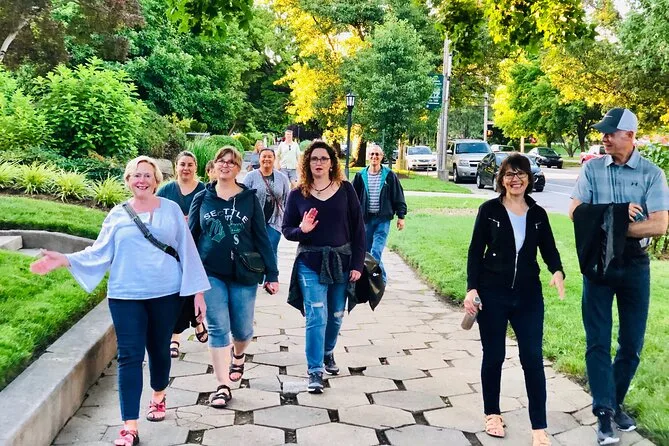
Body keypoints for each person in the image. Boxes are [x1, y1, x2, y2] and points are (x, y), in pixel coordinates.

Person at [30, 156, 210, 446]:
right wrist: (65, 259)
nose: (142, 180)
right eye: (136, 175)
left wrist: (198, 293)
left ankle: (159, 394)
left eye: (147, 175)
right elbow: (99, 252)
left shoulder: (171, 210)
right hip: (125, 295)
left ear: (156, 181)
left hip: (166, 294)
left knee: (159, 350)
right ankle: (130, 426)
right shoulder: (117, 214)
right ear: (128, 180)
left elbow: (187, 251)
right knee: (129, 356)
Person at [568, 108, 669, 445]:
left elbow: (659, 225)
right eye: (603, 132)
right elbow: (575, 212)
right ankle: (604, 413)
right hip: (598, 263)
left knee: (632, 344)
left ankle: (614, 402)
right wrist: (619, 215)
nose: (604, 138)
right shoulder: (592, 169)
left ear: (630, 135)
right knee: (597, 340)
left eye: (611, 133)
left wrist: (610, 225)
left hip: (635, 263)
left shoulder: (652, 174)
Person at [465, 153, 565, 446]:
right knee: (494, 355)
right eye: (509, 174)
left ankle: (539, 427)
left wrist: (557, 270)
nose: (515, 179)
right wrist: (472, 289)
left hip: (528, 296)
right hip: (492, 294)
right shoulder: (489, 210)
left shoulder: (538, 214)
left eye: (521, 173)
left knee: (532, 358)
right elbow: (475, 252)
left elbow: (549, 249)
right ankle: (492, 414)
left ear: (529, 178)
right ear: (501, 179)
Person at [189, 146, 280, 408]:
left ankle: (238, 355)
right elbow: (191, 237)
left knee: (242, 329)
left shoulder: (249, 198)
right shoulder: (202, 198)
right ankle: (222, 386)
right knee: (218, 327)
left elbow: (261, 237)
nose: (226, 165)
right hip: (210, 272)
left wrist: (272, 273)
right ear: (214, 165)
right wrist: (186, 273)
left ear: (239, 168)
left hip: (244, 272)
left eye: (231, 162)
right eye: (221, 161)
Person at [282, 141, 366, 394]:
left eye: (323, 158)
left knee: (336, 314)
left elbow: (359, 229)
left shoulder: (346, 190)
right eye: (314, 159)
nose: (318, 163)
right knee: (316, 314)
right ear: (307, 164)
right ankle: (315, 370)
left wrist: (358, 263)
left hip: (342, 260)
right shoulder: (297, 194)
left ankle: (328, 351)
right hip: (310, 262)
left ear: (332, 163)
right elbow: (287, 230)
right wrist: (302, 230)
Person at [156, 151, 208, 358]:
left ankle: (195, 322)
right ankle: (176, 337)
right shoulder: (167, 190)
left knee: (191, 288)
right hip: (172, 250)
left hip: (197, 247)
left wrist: (193, 220)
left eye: (190, 164)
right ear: (176, 166)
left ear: (196, 167)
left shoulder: (204, 190)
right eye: (182, 164)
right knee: (177, 291)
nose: (186, 168)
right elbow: (155, 213)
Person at [352, 144, 407, 283]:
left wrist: (401, 216)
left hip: (383, 219)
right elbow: (352, 198)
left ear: (382, 157)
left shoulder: (389, 176)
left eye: (377, 154)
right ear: (368, 156)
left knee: (376, 251)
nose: (374, 157)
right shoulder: (360, 176)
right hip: (366, 220)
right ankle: (374, 280)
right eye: (372, 154)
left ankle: (381, 281)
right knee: (367, 252)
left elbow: (398, 196)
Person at [243, 147, 291, 264]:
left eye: (270, 156)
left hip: (274, 221)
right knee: (255, 250)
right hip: (254, 221)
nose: (267, 159)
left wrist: (285, 219)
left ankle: (271, 274)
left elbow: (287, 199)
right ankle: (256, 272)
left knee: (271, 248)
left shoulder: (282, 178)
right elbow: (243, 198)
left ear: (274, 159)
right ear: (259, 158)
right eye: (264, 156)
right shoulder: (250, 177)